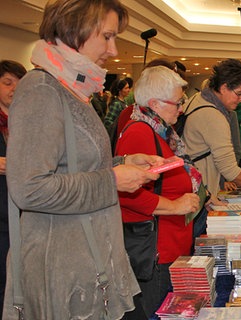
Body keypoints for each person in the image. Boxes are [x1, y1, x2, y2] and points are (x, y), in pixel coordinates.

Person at [4, 1, 163, 319]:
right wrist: (113, 180)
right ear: (74, 28)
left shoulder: (71, 87)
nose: (114, 50)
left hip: (91, 261)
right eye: (107, 36)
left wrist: (122, 163)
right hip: (65, 270)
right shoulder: (42, 90)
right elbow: (29, 188)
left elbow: (75, 165)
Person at [116, 66, 201, 318]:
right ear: (154, 103)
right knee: (158, 311)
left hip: (170, 242)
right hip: (156, 249)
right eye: (177, 103)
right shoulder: (140, 132)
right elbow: (128, 192)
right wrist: (175, 206)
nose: (181, 108)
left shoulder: (160, 129)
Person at [182, 59, 241, 237]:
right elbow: (229, 170)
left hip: (198, 189)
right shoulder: (212, 115)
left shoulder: (198, 99)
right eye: (239, 93)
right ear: (224, 87)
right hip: (199, 194)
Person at [0, 60, 26, 319]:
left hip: (24, 212)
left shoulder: (28, 119)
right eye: (7, 83)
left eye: (19, 84)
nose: (14, 89)